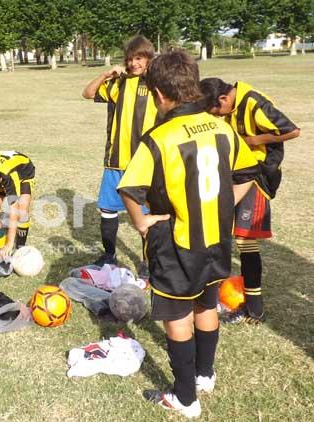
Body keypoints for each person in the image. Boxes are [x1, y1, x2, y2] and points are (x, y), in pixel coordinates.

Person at [117, 50, 260, 418]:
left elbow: (129, 188)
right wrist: (223, 204)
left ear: (159, 95)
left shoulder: (159, 138)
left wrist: (141, 222)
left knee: (178, 315)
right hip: (215, 238)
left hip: (177, 242)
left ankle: (184, 398)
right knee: (206, 305)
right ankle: (204, 375)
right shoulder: (221, 127)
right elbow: (248, 173)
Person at [200, 77, 300, 323]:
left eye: (215, 111)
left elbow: (292, 130)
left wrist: (254, 141)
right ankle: (218, 291)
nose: (216, 115)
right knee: (223, 232)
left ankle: (255, 310)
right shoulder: (231, 105)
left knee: (245, 240)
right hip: (237, 173)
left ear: (224, 98)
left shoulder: (254, 102)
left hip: (257, 175)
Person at [81, 35, 158, 278]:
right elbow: (87, 93)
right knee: (107, 210)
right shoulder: (119, 83)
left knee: (145, 218)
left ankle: (148, 262)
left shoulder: (157, 83)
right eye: (131, 59)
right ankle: (109, 255)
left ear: (149, 58)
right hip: (115, 161)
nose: (134, 63)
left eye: (140, 58)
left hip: (144, 164)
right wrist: (106, 74)